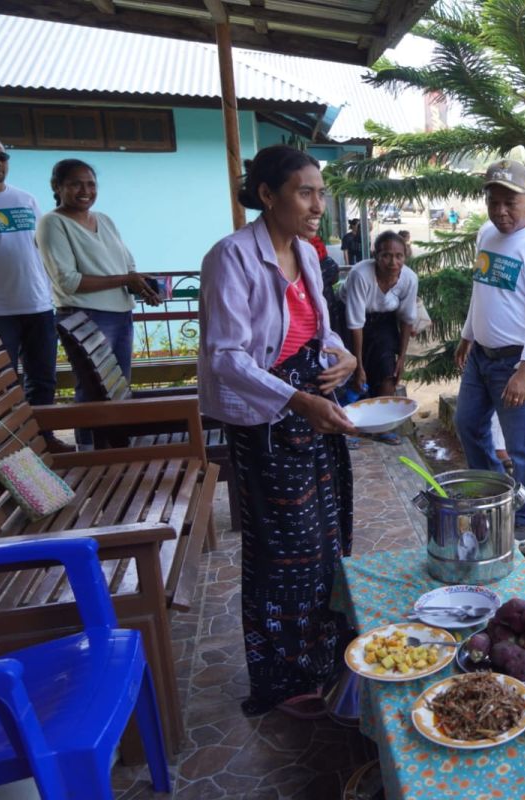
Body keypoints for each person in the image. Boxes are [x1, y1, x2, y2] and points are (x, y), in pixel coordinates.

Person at [198, 144, 357, 718]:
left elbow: (322, 330)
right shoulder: (231, 258)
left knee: (327, 543)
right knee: (283, 555)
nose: (318, 205)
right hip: (268, 419)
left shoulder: (309, 255)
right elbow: (225, 356)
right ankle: (283, 678)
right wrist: (296, 398)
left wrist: (341, 358)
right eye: (305, 192)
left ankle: (323, 659)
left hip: (311, 411)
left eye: (321, 192)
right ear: (267, 195)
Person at [454, 159, 525, 545]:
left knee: (522, 446)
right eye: (493, 201)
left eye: (510, 202)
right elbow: (482, 290)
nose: (500, 211)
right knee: (467, 424)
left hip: (516, 361)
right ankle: (491, 497)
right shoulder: (487, 233)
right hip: (481, 356)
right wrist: (468, 335)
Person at [37, 158, 162, 446]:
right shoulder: (52, 223)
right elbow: (67, 280)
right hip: (83, 317)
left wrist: (141, 287)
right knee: (93, 388)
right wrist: (124, 280)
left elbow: (126, 264)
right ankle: (90, 452)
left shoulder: (104, 219)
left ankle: (117, 450)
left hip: (120, 314)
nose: (85, 190)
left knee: (118, 389)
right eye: (75, 184)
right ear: (57, 187)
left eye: (91, 184)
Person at [0, 140, 59, 415]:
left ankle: (44, 442)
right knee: (2, 386)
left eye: (1, 156)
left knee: (43, 380)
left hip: (39, 305)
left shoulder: (26, 199)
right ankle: (8, 449)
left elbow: (42, 247)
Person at [342, 230, 419, 402]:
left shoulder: (410, 279)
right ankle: (355, 424)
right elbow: (355, 324)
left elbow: (407, 319)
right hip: (350, 321)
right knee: (355, 376)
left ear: (405, 256)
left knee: (388, 373)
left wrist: (402, 357)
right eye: (386, 255)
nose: (393, 262)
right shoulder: (360, 275)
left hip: (384, 320)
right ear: (375, 255)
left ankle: (382, 423)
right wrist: (358, 366)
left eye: (399, 256)